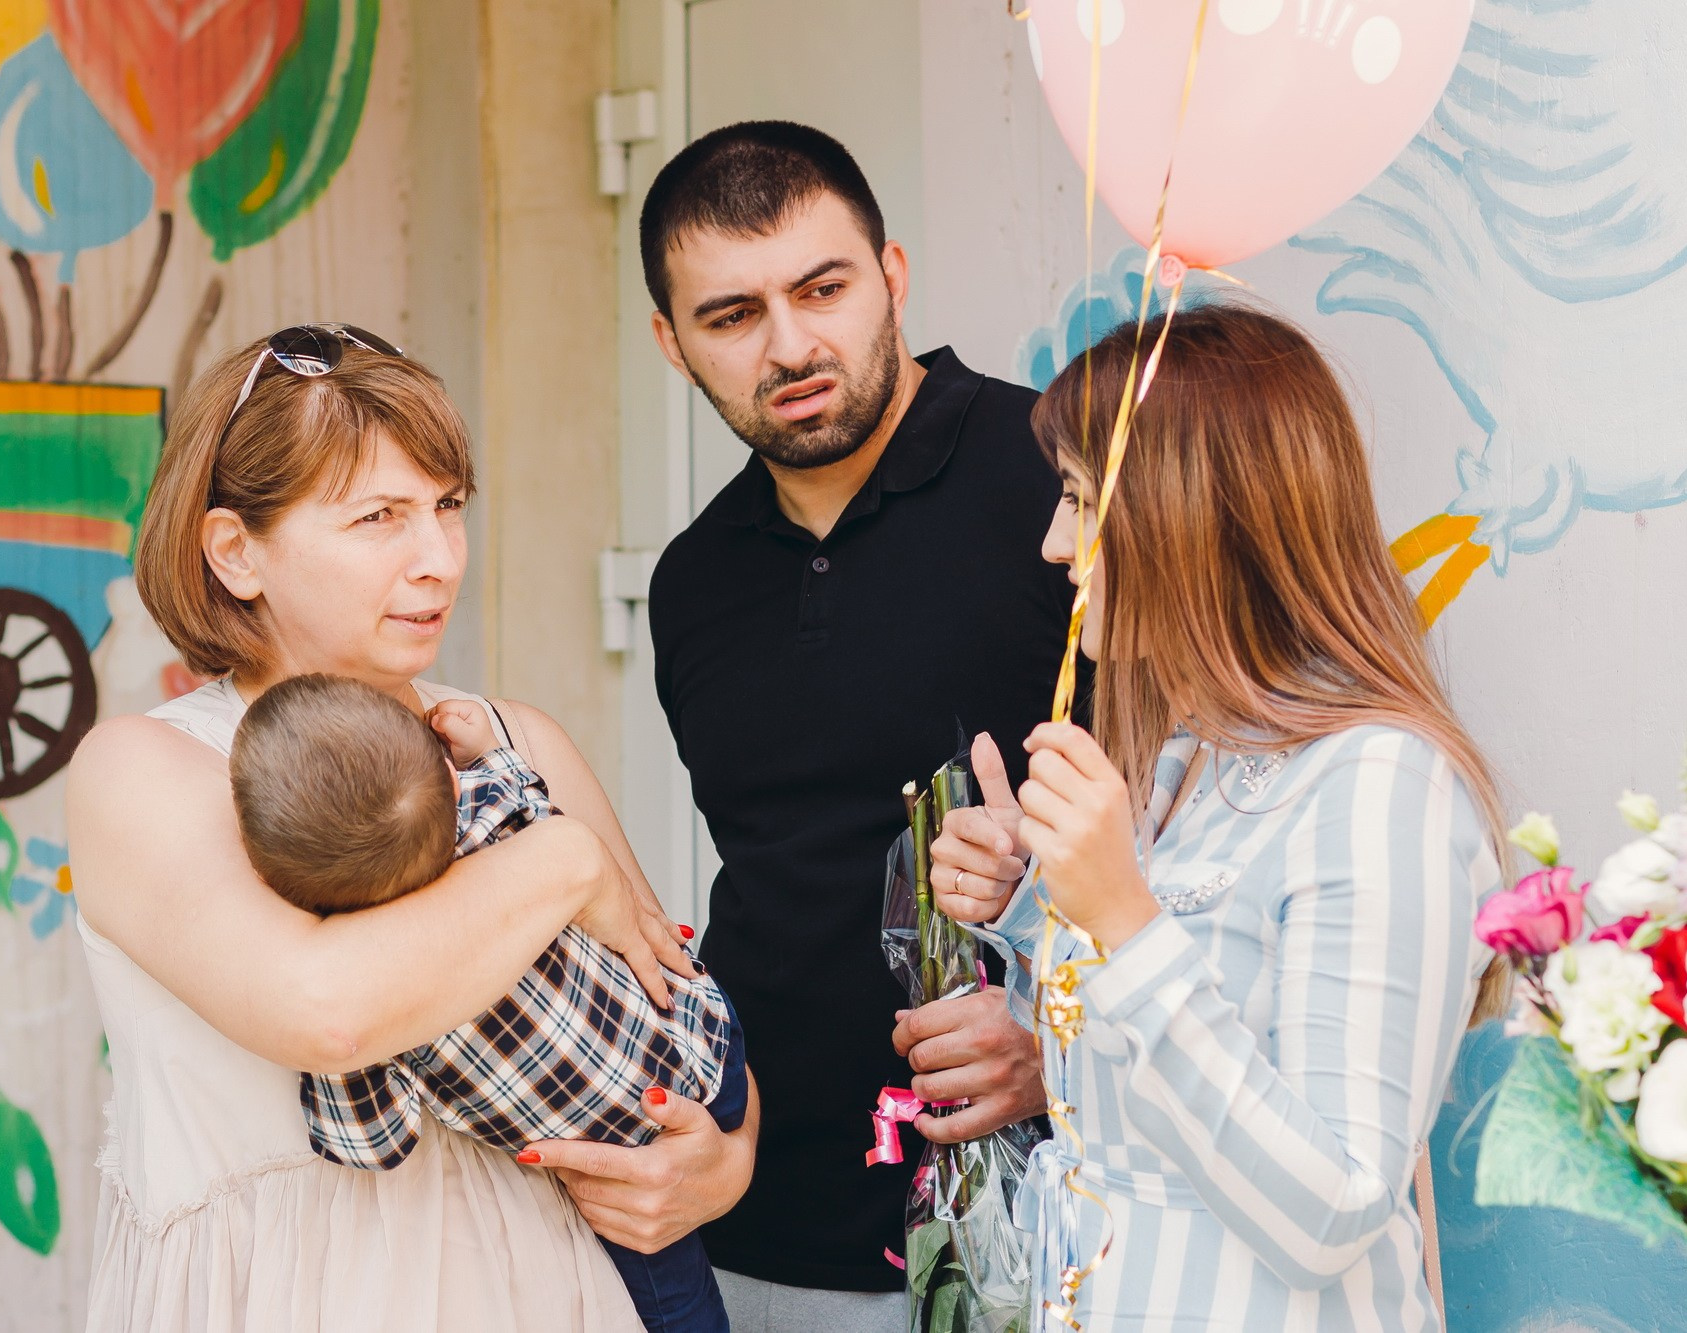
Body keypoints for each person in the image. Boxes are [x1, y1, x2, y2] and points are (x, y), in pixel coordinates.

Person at [64, 325, 755, 1332]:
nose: (436, 559)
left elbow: (671, 1003)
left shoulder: (516, 740)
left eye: (446, 507)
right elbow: (326, 1009)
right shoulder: (147, 768)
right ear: (235, 550)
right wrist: (560, 857)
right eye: (378, 516)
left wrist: (720, 1167)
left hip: (552, 1291)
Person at [932, 302, 1509, 1330]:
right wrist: (1032, 895)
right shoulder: (1179, 768)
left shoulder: (1378, 784)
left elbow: (1328, 1209)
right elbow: (1122, 1099)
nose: (1053, 543)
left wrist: (1119, 915)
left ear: (1192, 515)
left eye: (1077, 499)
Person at [624, 121, 1070, 1329]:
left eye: (821, 288)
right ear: (673, 345)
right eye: (730, 316)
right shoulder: (693, 581)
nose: (790, 345)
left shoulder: (1057, 490)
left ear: (892, 276)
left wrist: (1059, 1043)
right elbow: (778, 882)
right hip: (738, 1227)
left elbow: (1202, 845)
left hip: (1027, 1233)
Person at [227, 671, 746, 1332]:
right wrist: (480, 750)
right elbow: (527, 787)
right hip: (704, 1032)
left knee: (677, 1308)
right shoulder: (492, 810)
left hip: (623, 1158)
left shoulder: (382, 1006)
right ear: (447, 782)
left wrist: (321, 1068)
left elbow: (375, 1141)